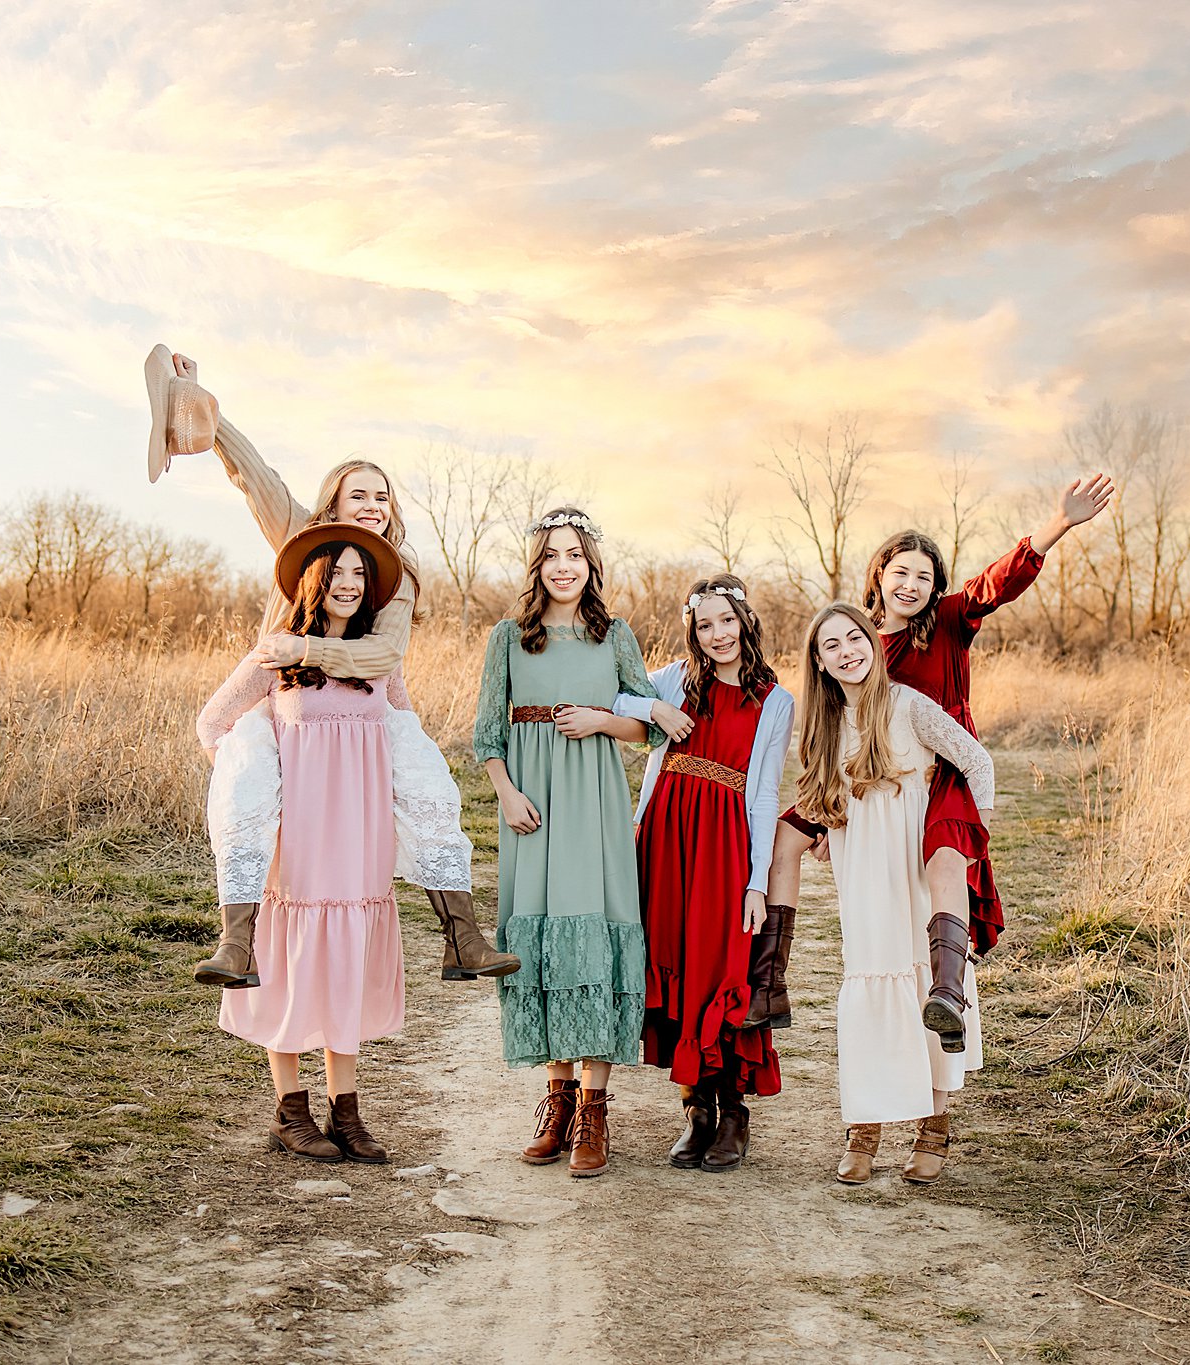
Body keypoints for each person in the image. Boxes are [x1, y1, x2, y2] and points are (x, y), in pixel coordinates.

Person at [145, 346, 517, 987]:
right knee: (241, 764)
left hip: (369, 694)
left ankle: (463, 938)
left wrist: (308, 648)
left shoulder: (397, 574)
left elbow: (381, 658)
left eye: (383, 494)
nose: (373, 502)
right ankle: (237, 942)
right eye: (358, 493)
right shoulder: (300, 533)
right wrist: (208, 409)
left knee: (429, 783)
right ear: (334, 505)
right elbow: (255, 478)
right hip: (283, 687)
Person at [754, 474, 1115, 1046]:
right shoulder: (853, 639)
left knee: (944, 864)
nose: (912, 584)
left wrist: (1058, 525)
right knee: (783, 840)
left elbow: (995, 584)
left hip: (939, 769)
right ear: (879, 575)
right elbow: (828, 719)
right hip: (859, 774)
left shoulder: (946, 622)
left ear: (935, 587)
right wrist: (827, 811)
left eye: (925, 576)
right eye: (901, 571)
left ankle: (946, 992)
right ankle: (769, 981)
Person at [194, 524, 411, 1164]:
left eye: (359, 575)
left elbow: (405, 733)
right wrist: (253, 790)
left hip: (362, 831)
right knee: (291, 961)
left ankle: (348, 1111)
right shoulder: (277, 655)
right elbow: (213, 721)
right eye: (337, 573)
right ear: (313, 583)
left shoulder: (379, 660)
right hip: (298, 835)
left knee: (345, 960)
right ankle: (290, 1110)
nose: (349, 584)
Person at [472, 507, 662, 1178]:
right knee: (543, 939)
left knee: (596, 936)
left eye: (575, 554)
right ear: (537, 565)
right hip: (532, 807)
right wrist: (506, 791)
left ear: (591, 565)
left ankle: (594, 1109)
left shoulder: (615, 637)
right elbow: (486, 733)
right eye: (551, 554)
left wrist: (602, 719)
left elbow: (650, 727)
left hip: (596, 803)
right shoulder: (507, 638)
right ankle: (555, 1102)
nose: (563, 565)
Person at [792, 603, 996, 1185]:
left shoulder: (908, 706)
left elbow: (975, 761)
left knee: (922, 982)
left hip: (913, 860)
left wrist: (971, 842)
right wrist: (826, 832)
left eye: (854, 637)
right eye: (831, 645)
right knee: (869, 981)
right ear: (820, 662)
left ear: (872, 642)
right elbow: (822, 792)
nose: (847, 651)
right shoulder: (824, 722)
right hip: (861, 868)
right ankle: (866, 1128)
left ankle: (934, 1124)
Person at [613, 574, 794, 1173]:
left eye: (726, 620)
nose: (717, 635)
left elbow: (765, 793)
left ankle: (734, 1112)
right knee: (677, 961)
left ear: (746, 620)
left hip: (724, 848)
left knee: (721, 966)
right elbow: (615, 698)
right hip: (665, 841)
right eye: (704, 624)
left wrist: (757, 880)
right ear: (693, 629)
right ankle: (696, 1111)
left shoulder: (773, 699)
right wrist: (656, 707)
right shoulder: (674, 681)